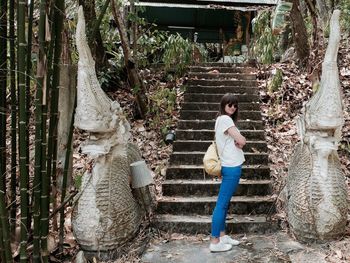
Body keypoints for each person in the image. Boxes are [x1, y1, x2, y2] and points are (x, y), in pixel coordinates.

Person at [209, 93, 246, 252]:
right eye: (229, 104)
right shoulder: (225, 119)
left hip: (229, 165)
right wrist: (241, 141)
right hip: (231, 167)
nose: (232, 107)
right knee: (222, 204)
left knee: (224, 204)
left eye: (235, 105)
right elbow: (242, 140)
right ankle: (215, 241)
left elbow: (237, 142)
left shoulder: (221, 120)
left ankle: (222, 236)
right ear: (223, 105)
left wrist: (238, 142)